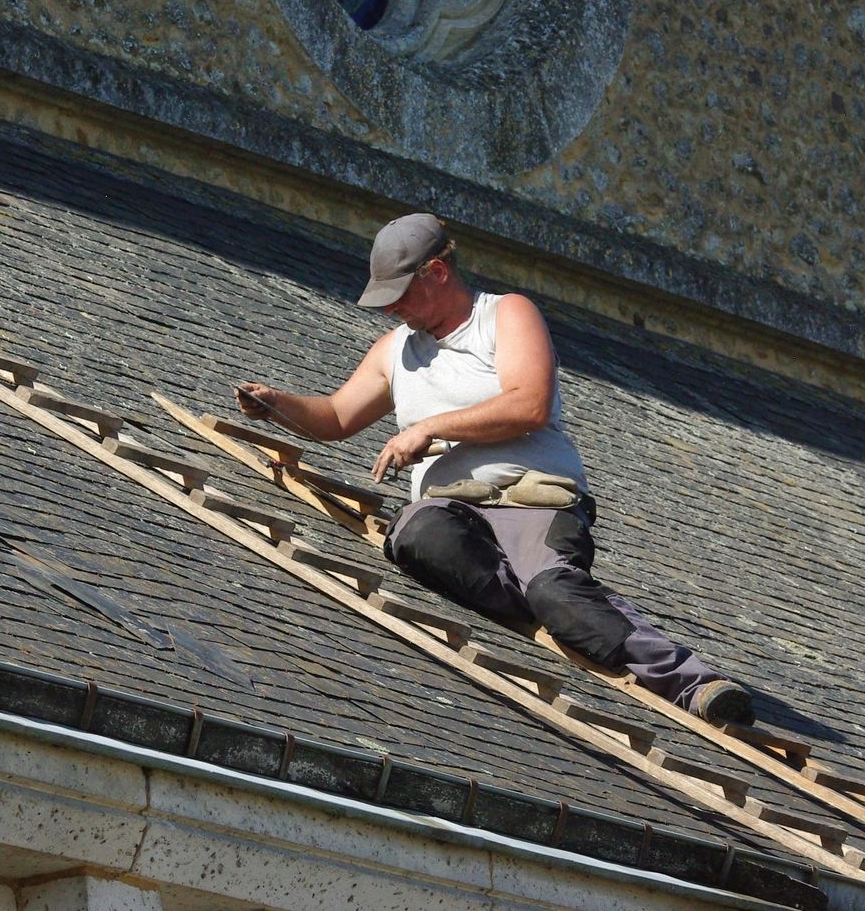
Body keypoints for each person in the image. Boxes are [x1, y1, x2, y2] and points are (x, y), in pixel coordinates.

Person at [235, 212, 754, 725]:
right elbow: (337, 416)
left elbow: (529, 403)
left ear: (436, 273)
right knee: (416, 532)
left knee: (554, 588)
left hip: (533, 501)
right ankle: (554, 609)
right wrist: (279, 403)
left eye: (401, 294)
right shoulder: (394, 352)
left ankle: (695, 683)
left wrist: (431, 428)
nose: (393, 309)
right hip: (452, 510)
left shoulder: (505, 314)